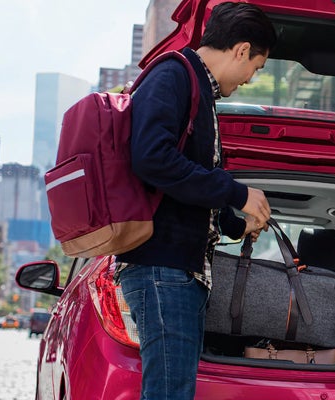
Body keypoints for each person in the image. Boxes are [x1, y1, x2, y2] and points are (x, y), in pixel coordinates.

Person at [114, 3, 278, 399]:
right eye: (255, 67)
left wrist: (237, 222)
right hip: (161, 269)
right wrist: (237, 192)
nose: (251, 78)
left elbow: (186, 182)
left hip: (176, 272)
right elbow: (152, 158)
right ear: (240, 50)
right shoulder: (174, 75)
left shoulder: (197, 88)